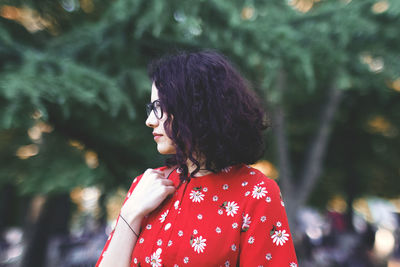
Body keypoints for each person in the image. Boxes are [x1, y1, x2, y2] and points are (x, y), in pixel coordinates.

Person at [96, 51, 298, 267]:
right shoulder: (148, 185)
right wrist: (131, 211)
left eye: (159, 107)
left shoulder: (255, 193)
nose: (149, 121)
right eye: (150, 108)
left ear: (196, 108)